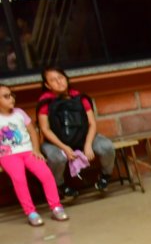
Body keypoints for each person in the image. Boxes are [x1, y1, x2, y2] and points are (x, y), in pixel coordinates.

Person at [36, 66, 115, 199]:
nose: (59, 82)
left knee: (106, 147)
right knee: (56, 158)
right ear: (47, 85)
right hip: (56, 142)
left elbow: (92, 123)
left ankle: (105, 176)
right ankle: (60, 186)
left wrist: (88, 144)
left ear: (66, 79)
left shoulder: (80, 97)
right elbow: (45, 129)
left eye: (61, 78)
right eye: (53, 80)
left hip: (83, 138)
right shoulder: (45, 102)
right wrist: (64, 147)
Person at [0, 85, 68, 226]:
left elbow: (32, 131)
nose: (11, 98)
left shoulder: (19, 113)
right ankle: (30, 212)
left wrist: (36, 149)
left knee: (46, 174)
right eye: (6, 96)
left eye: (11, 95)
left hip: (28, 150)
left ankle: (56, 206)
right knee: (19, 179)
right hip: (8, 155)